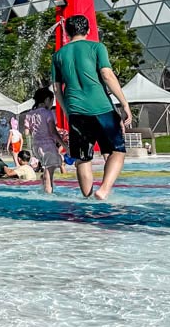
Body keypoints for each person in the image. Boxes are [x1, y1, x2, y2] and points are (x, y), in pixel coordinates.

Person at [52, 14, 133, 200]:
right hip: (102, 107)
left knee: (82, 158)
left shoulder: (58, 55)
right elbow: (107, 74)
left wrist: (67, 111)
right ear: (88, 30)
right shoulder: (97, 47)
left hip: (75, 110)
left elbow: (57, 89)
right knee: (117, 150)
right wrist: (124, 103)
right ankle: (103, 190)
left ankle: (87, 200)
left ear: (67, 31)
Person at [24, 87, 67, 194]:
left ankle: (44, 184)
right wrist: (64, 145)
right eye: (52, 101)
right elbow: (53, 132)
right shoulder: (48, 113)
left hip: (36, 146)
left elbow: (26, 132)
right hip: (48, 146)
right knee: (50, 171)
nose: (52, 104)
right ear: (47, 100)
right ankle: (48, 193)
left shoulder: (30, 114)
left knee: (47, 168)